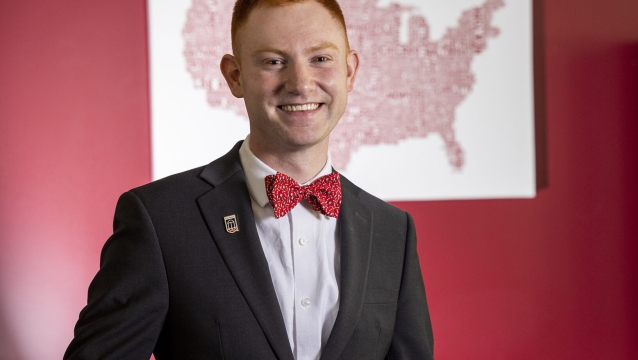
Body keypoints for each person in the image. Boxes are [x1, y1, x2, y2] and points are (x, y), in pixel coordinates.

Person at [64, 0, 434, 359]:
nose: (301, 84)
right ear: (235, 76)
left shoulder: (393, 231)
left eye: (320, 59)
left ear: (350, 72)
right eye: (274, 62)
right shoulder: (160, 219)